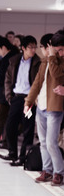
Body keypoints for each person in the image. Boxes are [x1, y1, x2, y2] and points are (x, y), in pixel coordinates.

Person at [24, 31, 64, 186]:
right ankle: (46, 170)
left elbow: (55, 74)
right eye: (57, 49)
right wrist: (28, 102)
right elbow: (37, 83)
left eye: (61, 49)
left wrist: (53, 56)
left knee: (51, 142)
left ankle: (58, 173)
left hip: (54, 108)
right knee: (42, 142)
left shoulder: (57, 61)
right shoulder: (44, 62)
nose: (60, 52)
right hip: (41, 106)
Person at [0, 35, 41, 165]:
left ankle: (23, 158)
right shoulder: (14, 61)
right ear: (23, 48)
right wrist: (9, 96)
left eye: (35, 47)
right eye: (30, 47)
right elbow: (8, 80)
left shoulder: (38, 63)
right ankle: (12, 153)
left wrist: (34, 99)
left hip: (30, 100)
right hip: (16, 98)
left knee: (28, 129)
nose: (33, 50)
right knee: (10, 126)